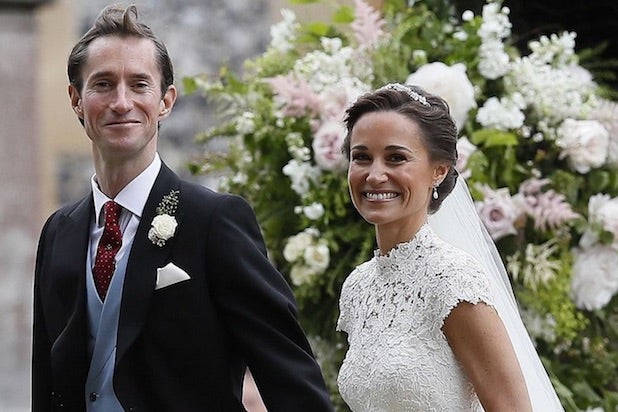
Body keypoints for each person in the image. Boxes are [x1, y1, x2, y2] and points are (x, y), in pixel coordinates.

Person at [31, 5, 334, 412]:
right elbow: (46, 383)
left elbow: (293, 382)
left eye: (139, 84)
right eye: (103, 84)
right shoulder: (58, 231)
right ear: (76, 100)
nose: (121, 102)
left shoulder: (215, 222)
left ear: (165, 101)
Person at [336, 83, 564, 411]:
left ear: (438, 171)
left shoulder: (452, 279)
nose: (374, 175)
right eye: (361, 157)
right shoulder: (357, 287)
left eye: (396, 158)